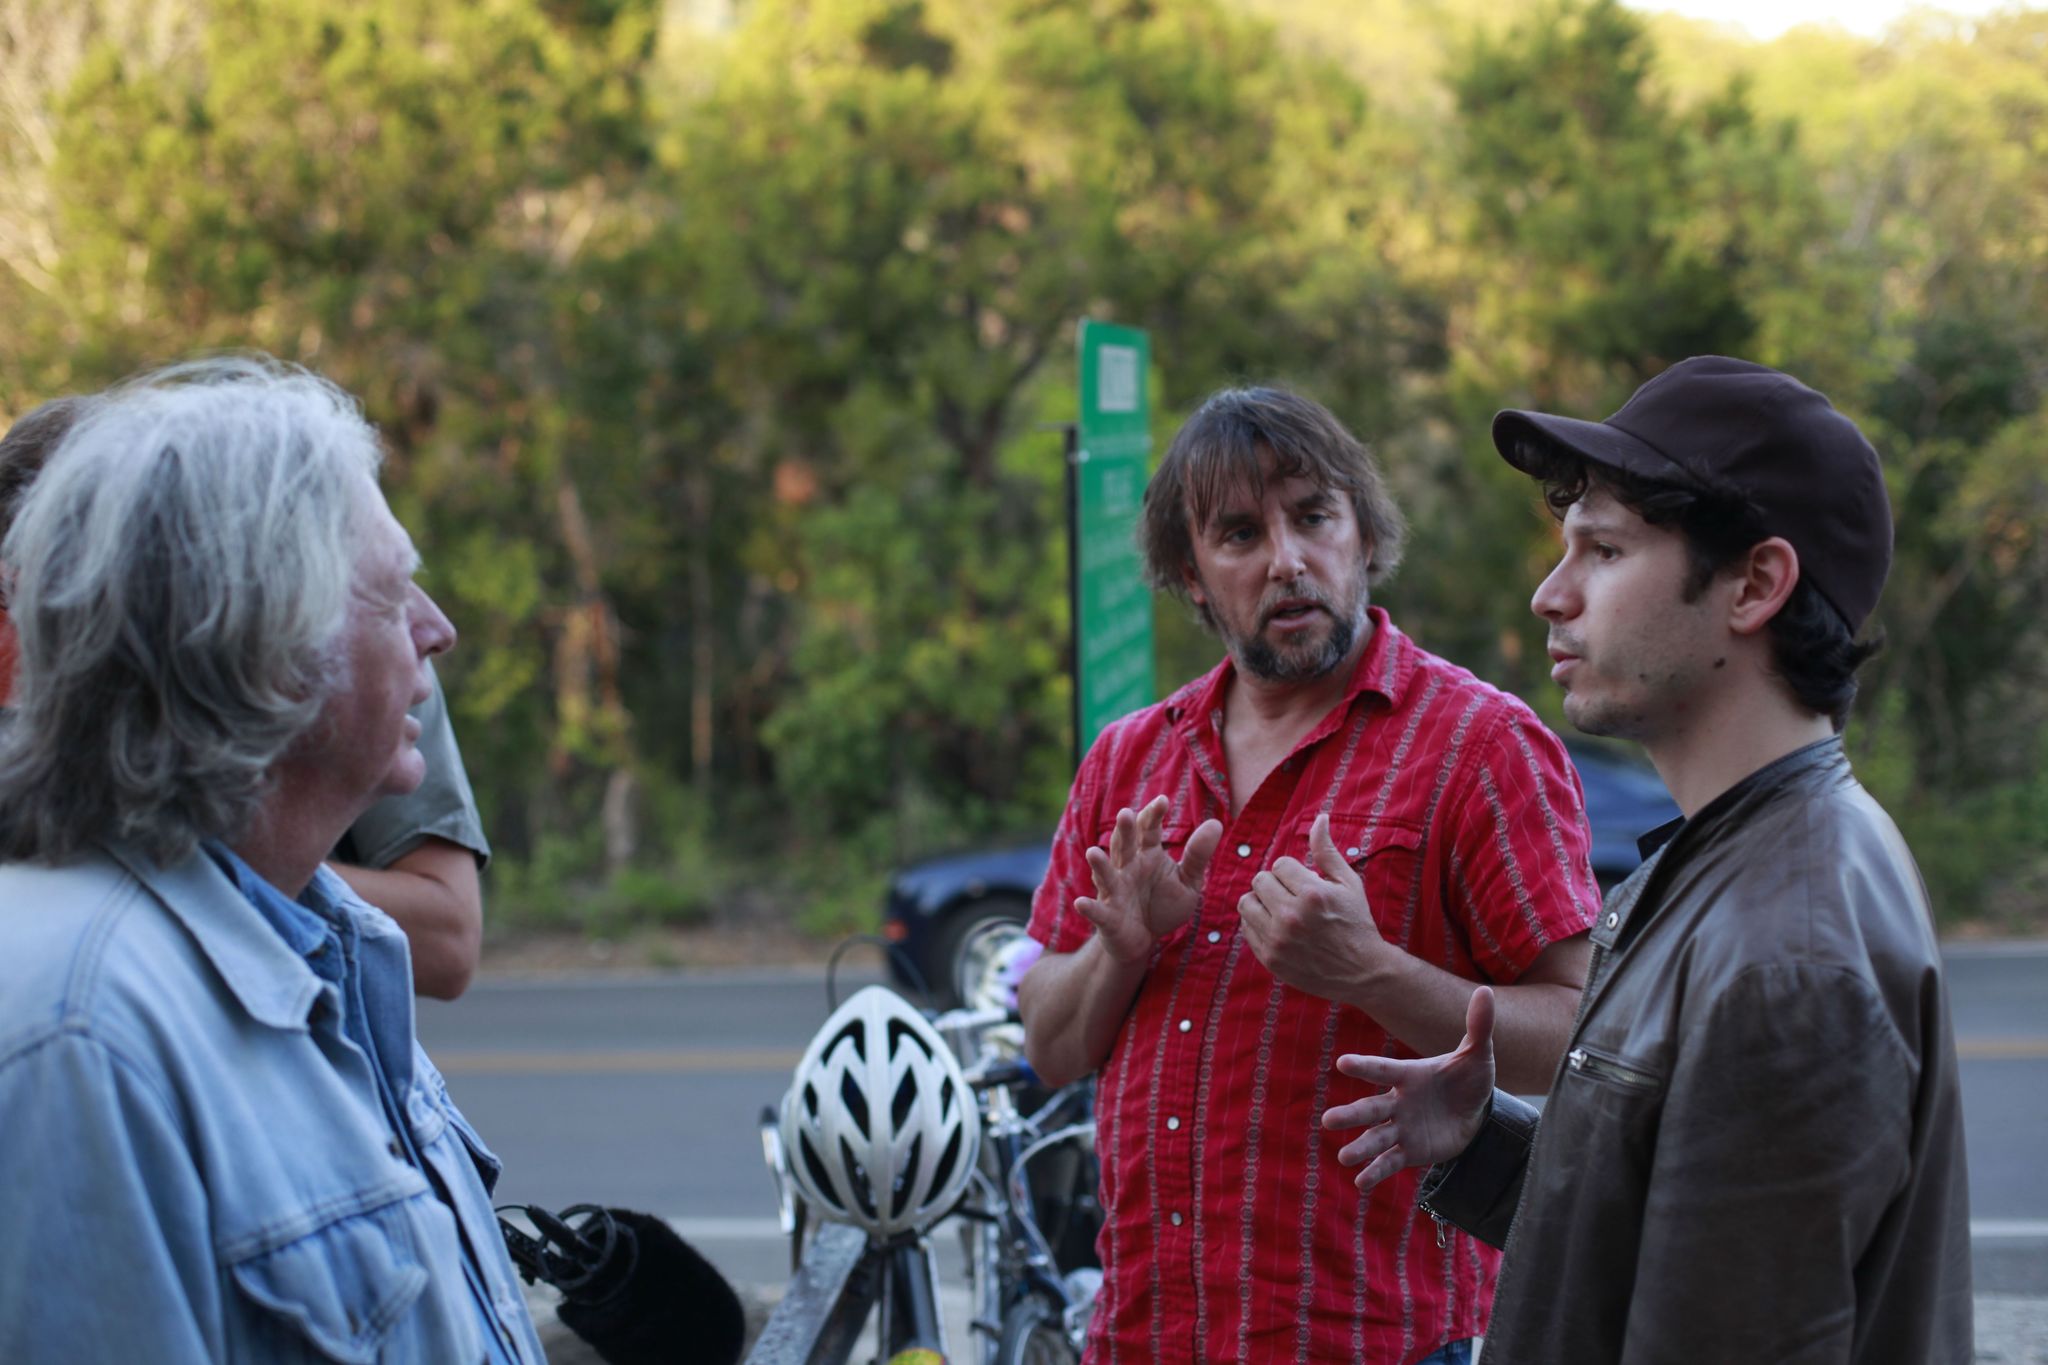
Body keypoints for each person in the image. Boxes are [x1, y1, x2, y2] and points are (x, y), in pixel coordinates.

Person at [1325, 356, 1974, 1363]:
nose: (1550, 595)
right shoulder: (1731, 856)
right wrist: (1485, 1145)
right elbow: (1674, 1244)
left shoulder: (1780, 958)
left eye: (1604, 551)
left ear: (1753, 585)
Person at [1017, 386, 1603, 1363]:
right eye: (1239, 534)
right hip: (1140, 1340)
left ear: (1363, 536)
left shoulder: (1477, 744)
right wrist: (1117, 953)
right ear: (1191, 575)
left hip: (1376, 1345)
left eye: (1312, 516)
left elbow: (1582, 1032)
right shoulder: (1127, 761)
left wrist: (1372, 971)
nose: (1285, 560)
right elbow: (1046, 1044)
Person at [0, 357, 546, 1362]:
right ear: (263, 646)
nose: (440, 629)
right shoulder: (78, 1032)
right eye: (391, 594)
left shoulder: (333, 946)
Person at [0, 395, 489, 1000]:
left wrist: (210, 861)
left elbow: (448, 942)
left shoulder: (378, 649)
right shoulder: (79, 1009)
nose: (435, 630)